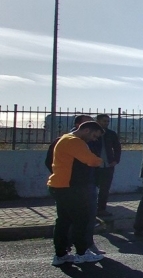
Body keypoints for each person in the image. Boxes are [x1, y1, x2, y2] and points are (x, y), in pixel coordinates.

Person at [47, 121, 106, 266]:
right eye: (94, 135)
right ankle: (82, 253)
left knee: (64, 221)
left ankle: (61, 255)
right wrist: (99, 160)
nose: (94, 139)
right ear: (86, 130)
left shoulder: (65, 138)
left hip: (60, 185)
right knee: (81, 220)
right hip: (70, 187)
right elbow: (91, 160)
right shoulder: (74, 142)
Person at [92, 114, 121, 217]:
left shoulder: (111, 134)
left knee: (104, 189)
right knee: (91, 188)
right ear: (98, 121)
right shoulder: (92, 134)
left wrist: (116, 160)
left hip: (108, 165)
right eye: (104, 121)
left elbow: (117, 147)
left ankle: (101, 209)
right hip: (93, 166)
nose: (106, 123)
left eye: (107, 121)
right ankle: (90, 209)